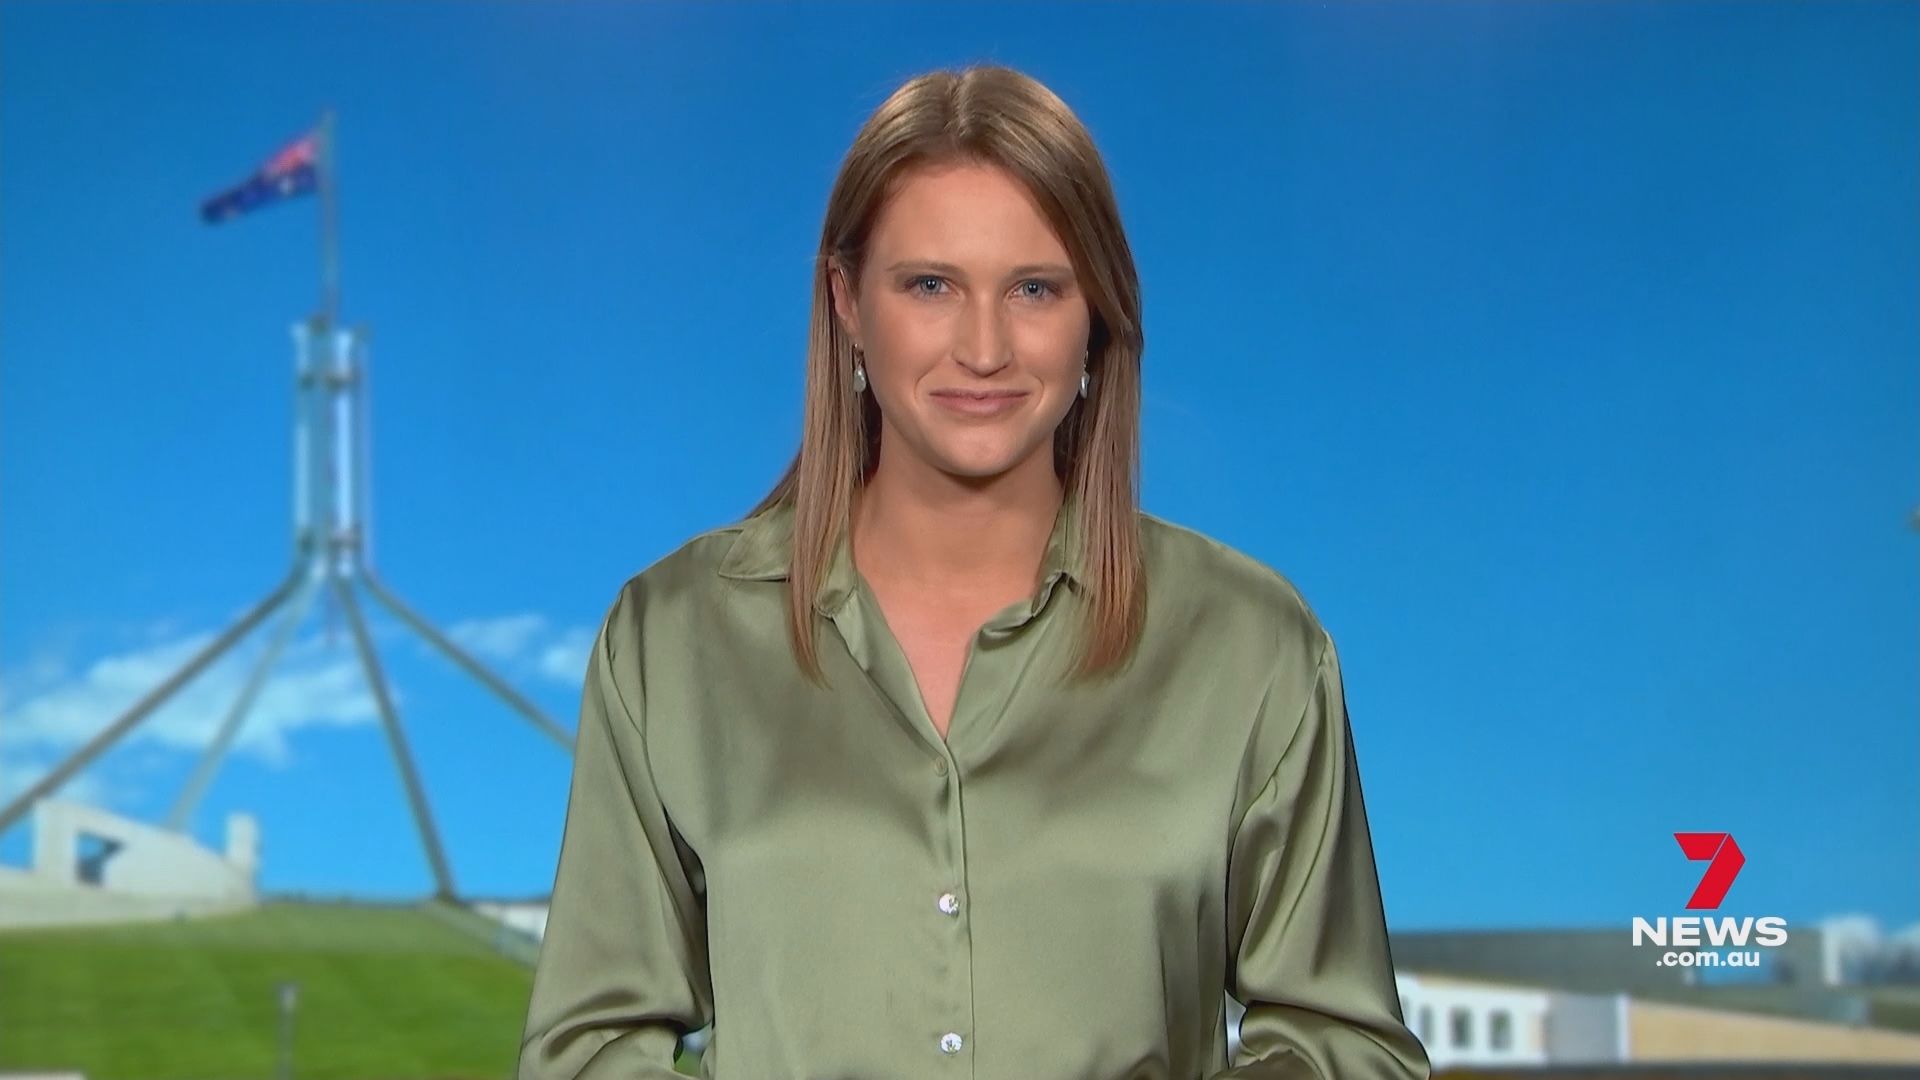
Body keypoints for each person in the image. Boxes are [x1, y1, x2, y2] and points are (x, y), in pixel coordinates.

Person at [516, 63, 1431, 1080]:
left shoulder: (1250, 643)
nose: (984, 348)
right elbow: (589, 1048)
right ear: (847, 303)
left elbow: (1347, 1045)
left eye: (1034, 289)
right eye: (931, 286)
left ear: (1097, 317)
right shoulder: (674, 636)